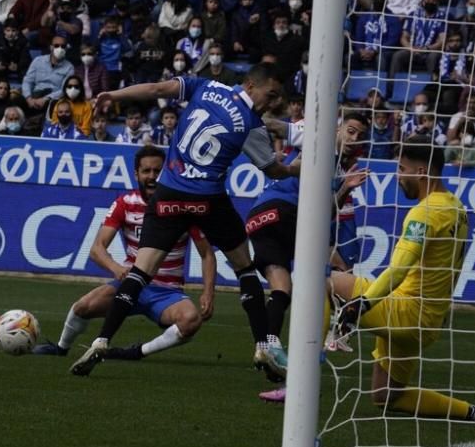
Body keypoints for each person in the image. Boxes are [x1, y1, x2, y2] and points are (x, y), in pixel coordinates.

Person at [69, 65, 299, 376]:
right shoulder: (251, 126)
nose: (271, 102)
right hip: (208, 199)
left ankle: (101, 341)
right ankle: (263, 346)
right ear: (249, 85)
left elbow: (155, 90)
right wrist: (297, 167)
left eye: (276, 98)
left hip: (169, 195)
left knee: (140, 271)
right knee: (245, 267)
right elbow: (273, 170)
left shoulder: (206, 87)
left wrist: (114, 94)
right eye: (269, 95)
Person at [326, 137, 475, 424]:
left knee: (320, 280)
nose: (398, 176)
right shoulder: (457, 208)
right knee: (386, 395)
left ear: (421, 171)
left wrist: (359, 306)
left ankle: (298, 378)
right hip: (426, 323)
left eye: (402, 169)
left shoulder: (425, 212)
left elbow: (398, 269)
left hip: (404, 311)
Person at [35, 146, 217, 360]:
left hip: (166, 293)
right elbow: (96, 249)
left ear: (166, 173)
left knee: (191, 321)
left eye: (157, 171)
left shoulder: (183, 207)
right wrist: (117, 269)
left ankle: (135, 352)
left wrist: (208, 292)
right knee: (81, 307)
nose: (151, 177)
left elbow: (207, 254)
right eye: (146, 171)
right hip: (128, 284)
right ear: (136, 174)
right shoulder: (125, 203)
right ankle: (61, 348)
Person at [248, 112, 369, 380]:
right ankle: (328, 336)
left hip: (258, 217)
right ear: (337, 128)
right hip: (285, 211)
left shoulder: (339, 170)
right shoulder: (317, 139)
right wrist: (247, 119)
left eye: (359, 136)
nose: (354, 138)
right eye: (350, 131)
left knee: (282, 289)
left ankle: (266, 347)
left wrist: (346, 188)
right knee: (335, 267)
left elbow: (325, 212)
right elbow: (272, 123)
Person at [388, 0, 445, 84]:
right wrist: (412, 48)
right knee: (398, 56)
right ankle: (392, 89)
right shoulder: (413, 15)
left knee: (433, 57)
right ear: (422, 2)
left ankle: (430, 89)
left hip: (430, 50)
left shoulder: (443, 17)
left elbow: (442, 41)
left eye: (434, 1)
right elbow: (403, 37)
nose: (431, 3)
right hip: (413, 50)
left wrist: (426, 48)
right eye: (428, 1)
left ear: (438, 2)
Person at [21, 34, 73, 119]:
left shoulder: (69, 67)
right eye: (56, 45)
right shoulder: (38, 60)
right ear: (51, 47)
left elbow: (64, 89)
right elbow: (27, 81)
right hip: (34, 95)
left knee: (57, 104)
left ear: (66, 48)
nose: (59, 49)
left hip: (52, 98)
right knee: (14, 99)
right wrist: (28, 98)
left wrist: (45, 99)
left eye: (63, 46)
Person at [0, 17, 31, 83]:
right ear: (4, 31)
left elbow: (26, 58)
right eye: (8, 30)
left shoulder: (23, 41)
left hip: (18, 66)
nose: (10, 34)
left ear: (17, 31)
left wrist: (18, 66)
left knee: (25, 74)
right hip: (4, 65)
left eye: (13, 31)